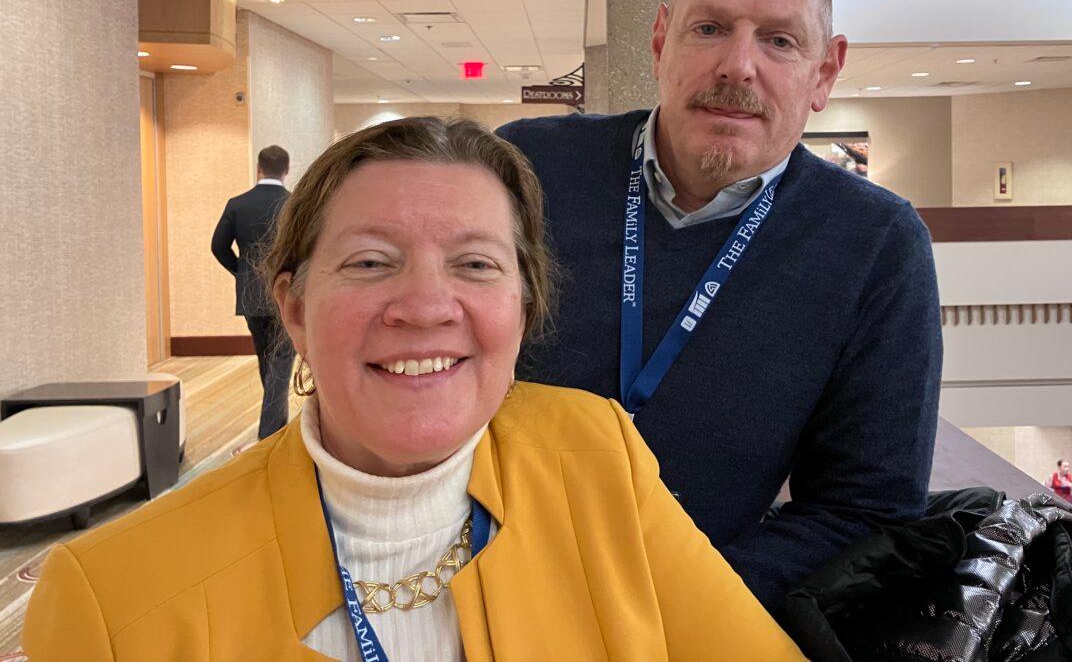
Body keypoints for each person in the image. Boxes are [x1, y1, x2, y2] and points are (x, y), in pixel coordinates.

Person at [23, 118, 802, 660]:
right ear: (293, 307)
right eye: (369, 261)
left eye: (475, 264)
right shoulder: (113, 597)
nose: (428, 306)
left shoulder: (596, 454)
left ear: (523, 306)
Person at [498, 0, 943, 620]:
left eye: (780, 41)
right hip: (480, 585)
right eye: (710, 28)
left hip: (696, 620)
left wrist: (675, 603)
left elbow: (868, 504)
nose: (738, 65)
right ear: (660, 42)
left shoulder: (877, 244)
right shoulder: (528, 170)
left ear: (825, 71)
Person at [210, 144, 294, 440]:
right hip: (286, 294)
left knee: (268, 362)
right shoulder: (294, 204)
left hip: (250, 294)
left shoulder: (237, 204)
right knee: (281, 363)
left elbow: (218, 247)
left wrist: (241, 272)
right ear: (286, 170)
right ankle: (270, 435)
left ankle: (274, 426)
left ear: (259, 168)